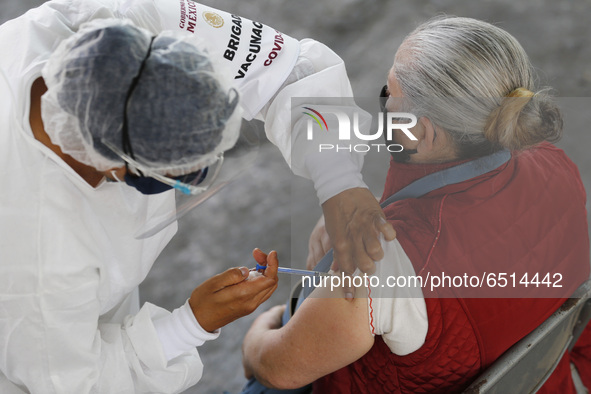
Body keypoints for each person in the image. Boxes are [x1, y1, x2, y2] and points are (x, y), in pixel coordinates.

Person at [0, 1, 395, 393]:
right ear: (117, 166)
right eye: (181, 172)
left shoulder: (120, 30)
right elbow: (71, 383)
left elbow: (291, 71)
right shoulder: (37, 258)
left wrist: (340, 184)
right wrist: (191, 323)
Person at [241, 16, 590, 393]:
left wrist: (261, 329)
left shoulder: (384, 260)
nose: (384, 106)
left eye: (388, 95)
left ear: (421, 131)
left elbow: (280, 368)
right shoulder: (553, 161)